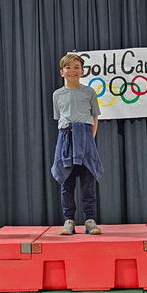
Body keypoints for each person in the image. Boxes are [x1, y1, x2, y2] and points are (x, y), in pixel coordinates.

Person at [51, 53, 103, 235]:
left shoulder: (89, 92)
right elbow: (59, 118)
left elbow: (95, 117)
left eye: (76, 67)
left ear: (82, 71)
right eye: (68, 68)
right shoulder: (57, 94)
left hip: (85, 137)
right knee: (66, 181)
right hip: (66, 138)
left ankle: (90, 220)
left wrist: (89, 141)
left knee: (89, 181)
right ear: (61, 72)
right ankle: (69, 221)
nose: (72, 71)